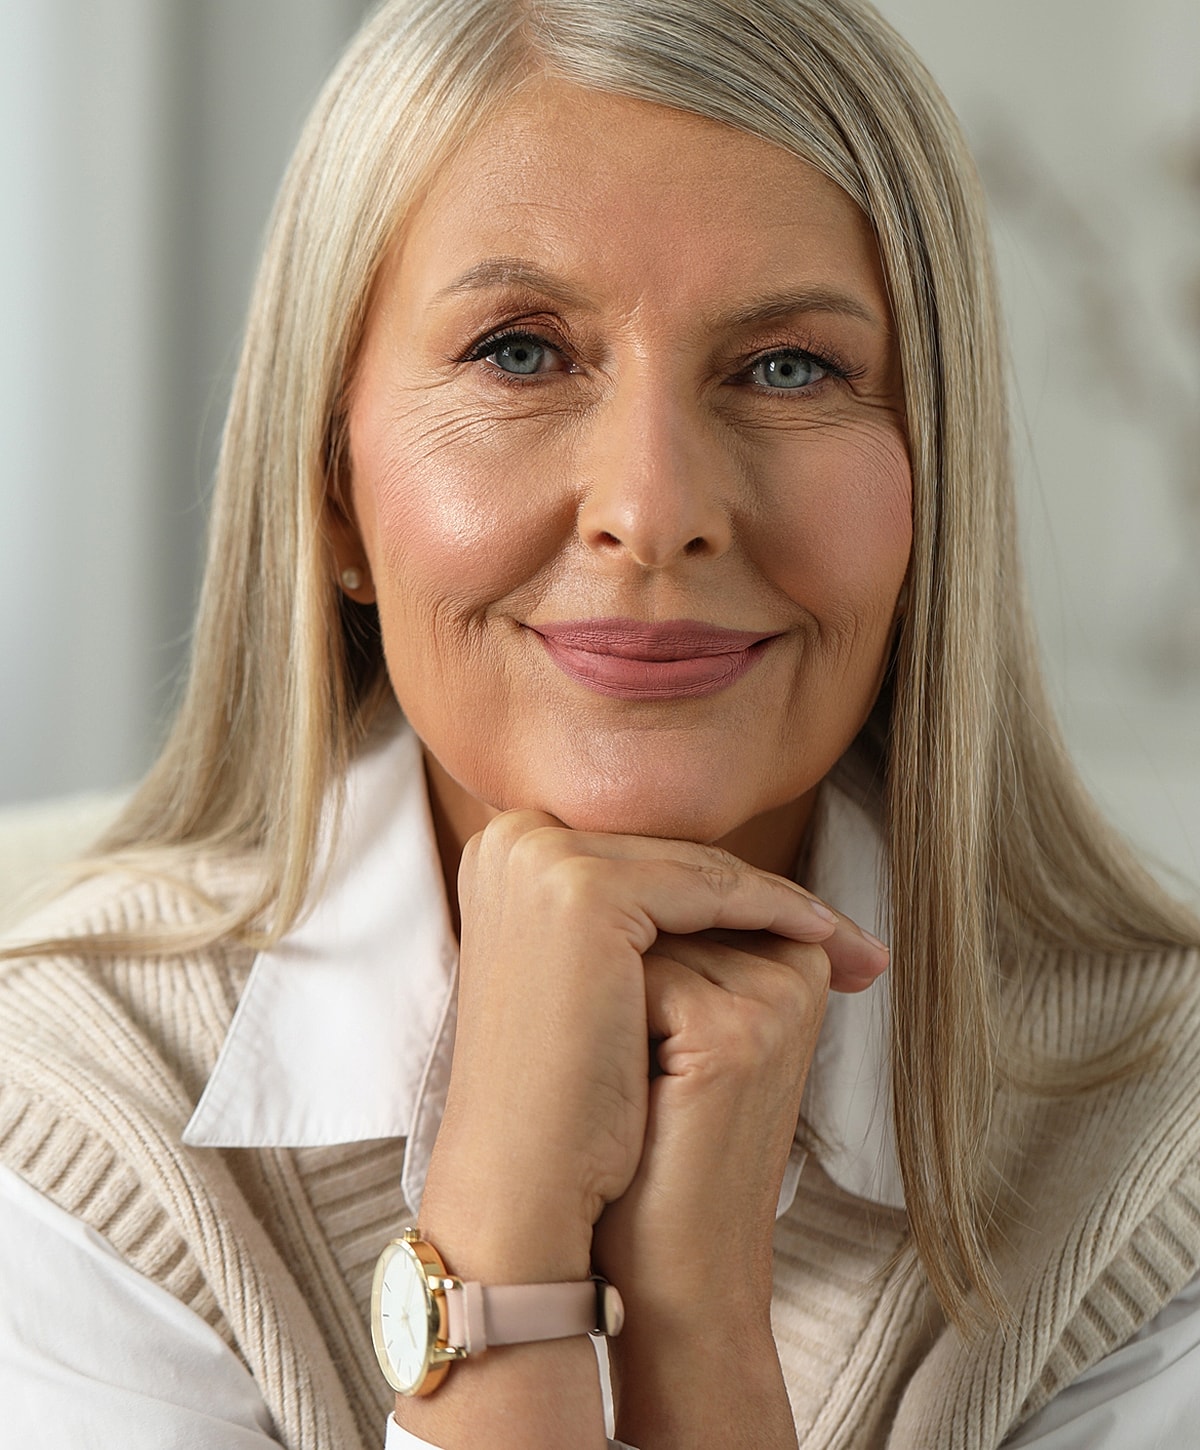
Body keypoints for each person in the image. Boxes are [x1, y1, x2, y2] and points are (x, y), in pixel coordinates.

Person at [2, 0, 1200, 1446]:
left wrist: (697, 1325)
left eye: (787, 365)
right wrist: (499, 1252)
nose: (657, 508)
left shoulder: (1160, 1139)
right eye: (520, 352)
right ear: (332, 490)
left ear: (932, 484)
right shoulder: (69, 1110)